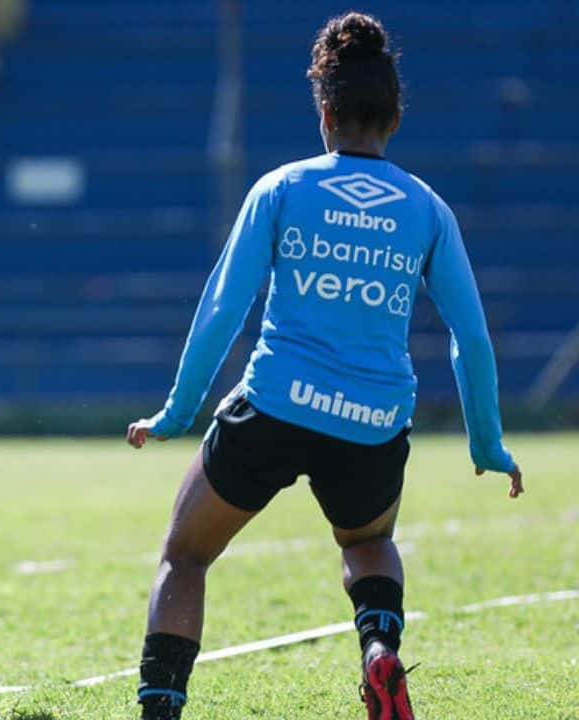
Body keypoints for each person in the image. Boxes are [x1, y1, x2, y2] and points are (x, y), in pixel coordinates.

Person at [125, 12, 523, 720]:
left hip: (274, 406)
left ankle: (160, 709)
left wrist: (177, 413)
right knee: (368, 542)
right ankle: (378, 651)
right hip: (372, 424)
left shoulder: (282, 189)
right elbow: (472, 337)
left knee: (185, 556)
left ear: (326, 110)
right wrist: (486, 442)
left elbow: (223, 309)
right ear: (394, 116)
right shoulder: (428, 209)